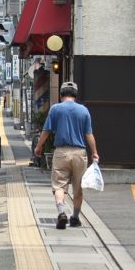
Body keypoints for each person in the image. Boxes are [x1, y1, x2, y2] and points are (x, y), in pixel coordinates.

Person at [33, 81, 100, 230]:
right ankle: (75, 218)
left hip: (61, 152)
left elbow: (46, 130)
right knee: (78, 188)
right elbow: (89, 134)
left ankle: (61, 212)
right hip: (79, 153)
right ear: (75, 95)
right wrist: (94, 152)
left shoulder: (56, 109)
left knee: (59, 185)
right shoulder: (84, 111)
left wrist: (39, 146)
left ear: (61, 94)